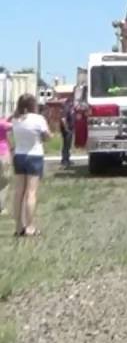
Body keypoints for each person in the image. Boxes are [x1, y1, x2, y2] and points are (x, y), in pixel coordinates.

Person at [10, 93, 51, 237]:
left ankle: (18, 226)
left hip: (19, 155)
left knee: (18, 192)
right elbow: (47, 136)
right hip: (34, 155)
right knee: (31, 193)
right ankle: (30, 226)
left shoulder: (15, 119)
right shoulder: (38, 119)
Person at [0, 116, 11, 216]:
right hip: (2, 153)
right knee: (4, 181)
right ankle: (1, 207)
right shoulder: (2, 123)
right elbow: (14, 126)